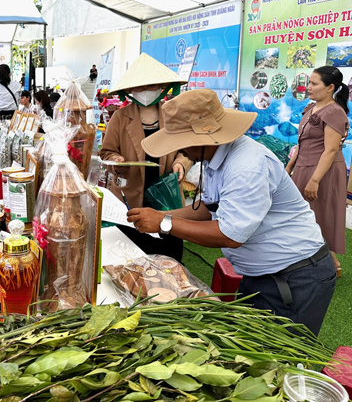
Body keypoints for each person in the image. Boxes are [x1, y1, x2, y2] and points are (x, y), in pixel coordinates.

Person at [129, 89, 335, 336]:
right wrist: (162, 215)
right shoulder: (216, 158)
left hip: (295, 275)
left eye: (181, 142)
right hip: (261, 274)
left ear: (203, 137)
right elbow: (209, 208)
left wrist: (165, 223)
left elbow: (230, 235)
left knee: (279, 359)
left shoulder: (247, 166)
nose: (180, 151)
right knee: (250, 346)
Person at [100, 53, 191, 262]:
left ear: (162, 86)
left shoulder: (173, 115)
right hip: (130, 197)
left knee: (169, 259)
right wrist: (117, 162)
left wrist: (181, 163)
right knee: (131, 259)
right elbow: (106, 152)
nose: (146, 92)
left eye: (151, 86)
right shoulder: (120, 117)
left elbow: (186, 150)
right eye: (140, 87)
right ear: (130, 90)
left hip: (167, 197)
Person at [285, 66, 349, 278]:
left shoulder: (334, 112)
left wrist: (314, 180)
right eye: (309, 83)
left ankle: (328, 264)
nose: (308, 87)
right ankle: (326, 262)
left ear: (331, 87)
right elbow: (302, 142)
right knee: (306, 215)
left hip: (323, 171)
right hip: (304, 166)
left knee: (320, 215)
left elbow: (330, 150)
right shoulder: (311, 108)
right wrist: (290, 165)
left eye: (314, 84)